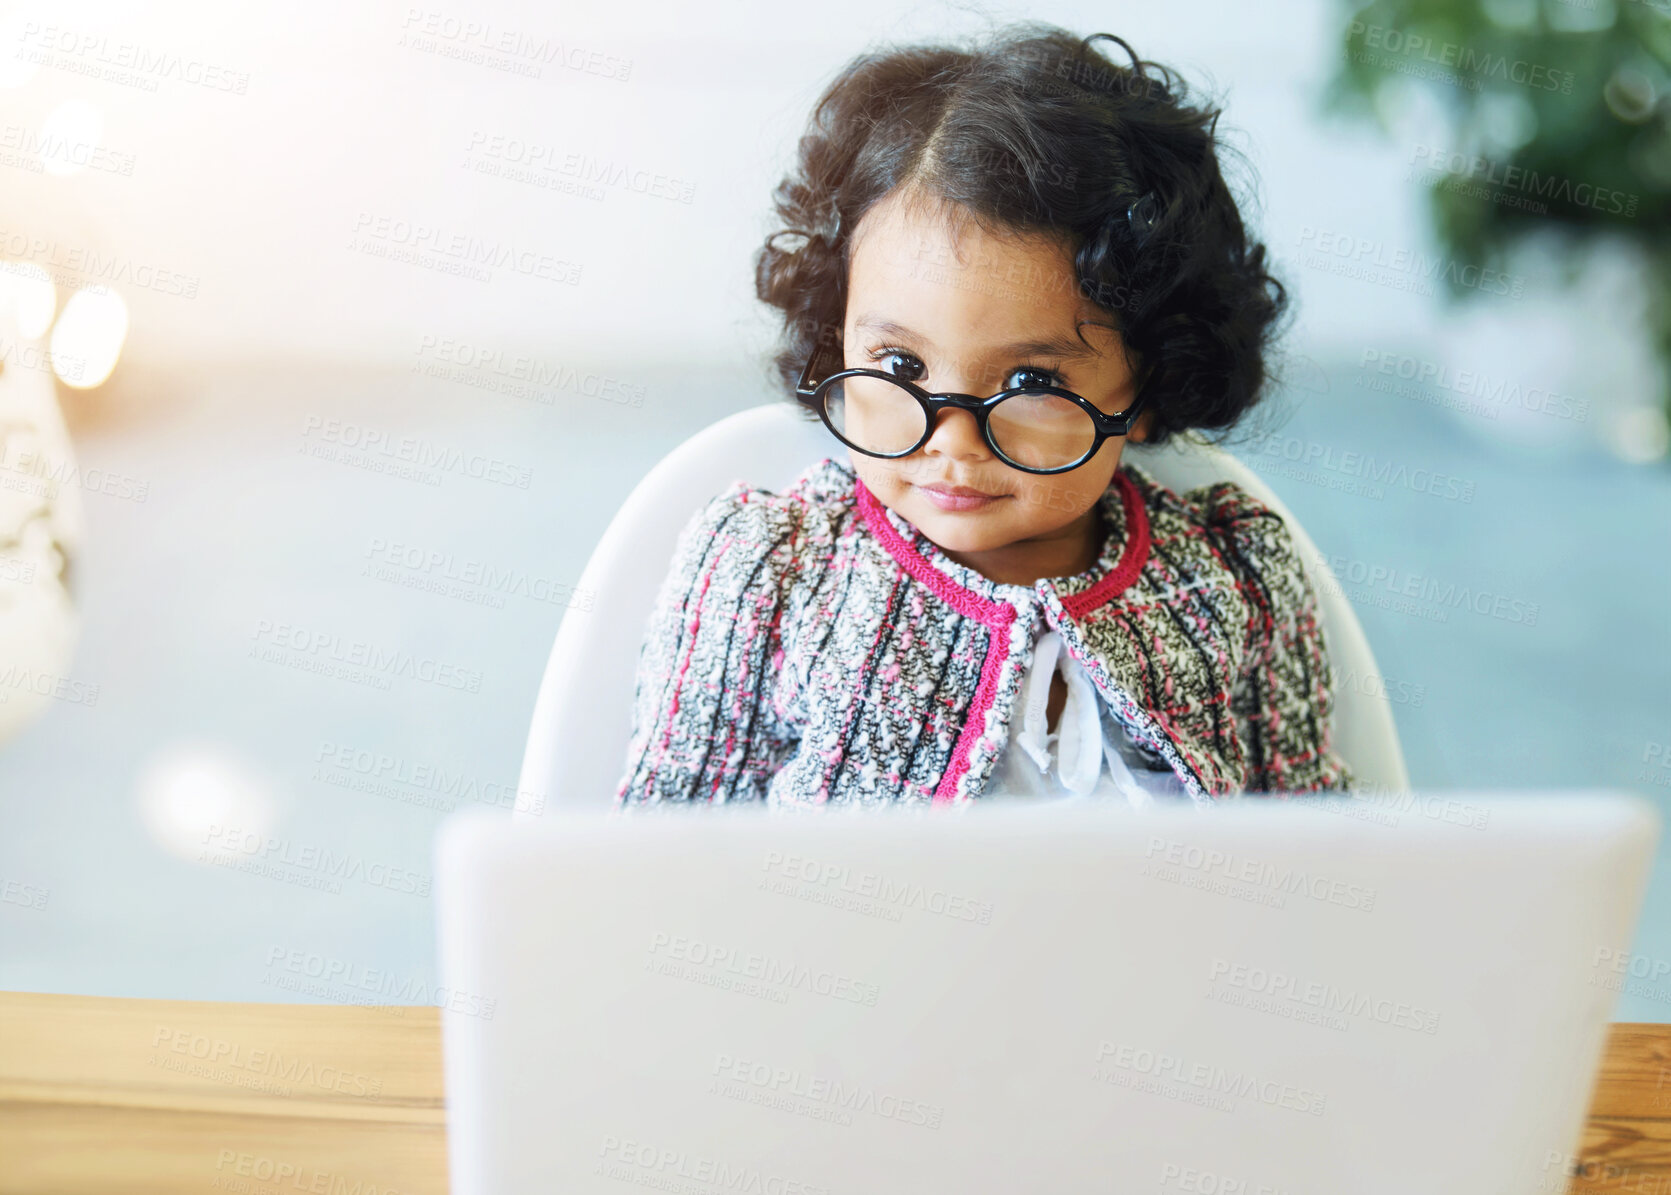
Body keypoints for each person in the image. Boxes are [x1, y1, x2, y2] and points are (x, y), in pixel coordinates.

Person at [616, 23, 1354, 809]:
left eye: (1031, 377)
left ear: (1150, 383)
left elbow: (1316, 855)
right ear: (837, 337)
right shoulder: (773, 575)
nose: (951, 442)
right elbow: (663, 863)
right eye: (900, 367)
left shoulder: (1231, 579)